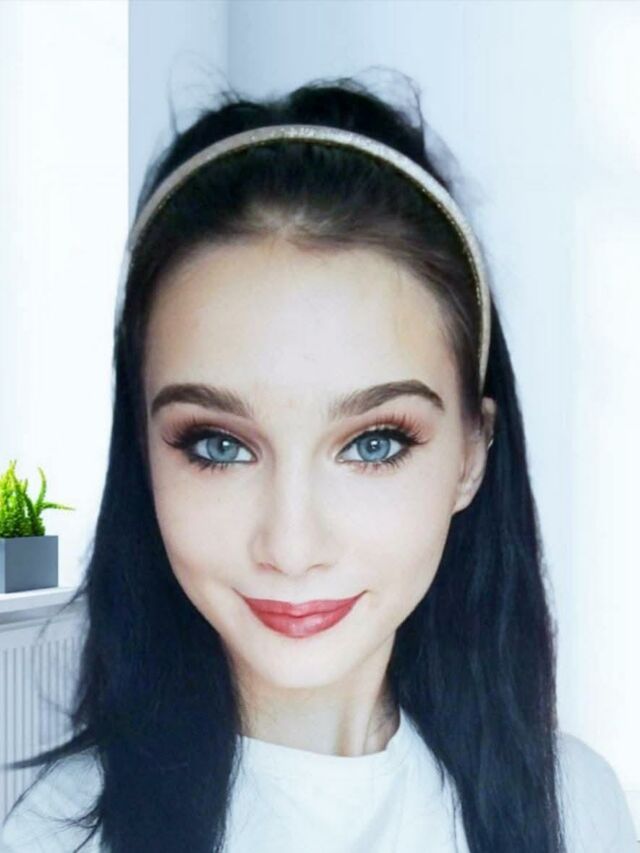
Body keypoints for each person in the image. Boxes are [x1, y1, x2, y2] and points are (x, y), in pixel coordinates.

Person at [1, 74, 637, 853]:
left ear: (472, 453)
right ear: (143, 450)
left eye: (374, 443)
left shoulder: (576, 807)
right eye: (218, 445)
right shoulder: (53, 837)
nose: (292, 546)